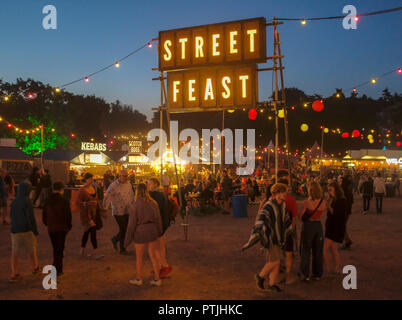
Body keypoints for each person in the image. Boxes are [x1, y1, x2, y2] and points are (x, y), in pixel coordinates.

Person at [242, 183, 292, 292]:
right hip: (271, 238)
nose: (286, 194)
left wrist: (288, 231)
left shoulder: (282, 205)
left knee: (277, 262)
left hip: (279, 238)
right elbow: (260, 220)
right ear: (278, 193)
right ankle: (260, 276)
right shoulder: (269, 205)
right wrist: (260, 233)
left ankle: (271, 284)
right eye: (284, 192)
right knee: (276, 261)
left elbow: (286, 220)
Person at [125, 183, 163, 286]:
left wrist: (127, 240)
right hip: (152, 230)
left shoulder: (135, 204)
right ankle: (157, 279)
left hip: (140, 231)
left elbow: (131, 224)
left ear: (137, 191)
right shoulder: (153, 203)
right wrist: (159, 231)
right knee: (153, 255)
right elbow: (158, 219)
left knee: (139, 257)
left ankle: (139, 279)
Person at [9, 181, 39, 282]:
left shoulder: (14, 201)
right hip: (26, 230)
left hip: (15, 230)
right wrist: (35, 230)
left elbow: (11, 215)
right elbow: (31, 217)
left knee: (15, 253)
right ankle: (35, 268)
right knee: (31, 249)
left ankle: (14, 273)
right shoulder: (27, 201)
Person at [42, 181, 72, 276]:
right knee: (60, 248)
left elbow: (44, 214)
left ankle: (57, 267)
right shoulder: (64, 201)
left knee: (56, 247)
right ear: (61, 190)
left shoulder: (47, 200)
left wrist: (47, 223)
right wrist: (68, 226)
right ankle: (57, 268)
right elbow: (68, 215)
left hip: (51, 227)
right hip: (62, 227)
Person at [299, 181, 326, 281]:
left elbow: (300, 215)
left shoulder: (307, 202)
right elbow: (321, 214)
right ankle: (317, 274)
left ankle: (305, 274)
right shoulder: (323, 202)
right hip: (318, 226)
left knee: (306, 250)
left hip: (308, 226)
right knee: (318, 251)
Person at [103, 169, 134, 255]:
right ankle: (122, 248)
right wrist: (105, 209)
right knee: (124, 229)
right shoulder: (113, 186)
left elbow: (131, 195)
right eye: (124, 176)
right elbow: (107, 197)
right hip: (118, 211)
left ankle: (116, 240)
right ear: (119, 176)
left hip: (127, 210)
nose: (126, 177)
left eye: (127, 176)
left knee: (126, 229)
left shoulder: (129, 184)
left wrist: (133, 206)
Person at [148, 178, 172, 279]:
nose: (147, 185)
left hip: (158, 224)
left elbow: (156, 210)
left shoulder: (157, 195)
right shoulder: (159, 194)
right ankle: (159, 266)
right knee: (159, 245)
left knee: (157, 246)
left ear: (154, 184)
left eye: (149, 183)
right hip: (161, 223)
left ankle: (165, 266)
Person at [76, 173, 104, 260]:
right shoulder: (82, 190)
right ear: (87, 179)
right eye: (91, 179)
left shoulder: (93, 188)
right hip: (86, 215)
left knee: (87, 232)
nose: (92, 180)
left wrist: (101, 210)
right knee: (93, 233)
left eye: (92, 178)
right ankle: (96, 253)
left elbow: (96, 200)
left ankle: (81, 250)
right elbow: (77, 203)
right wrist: (87, 203)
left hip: (94, 214)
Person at [277, 179, 298, 285]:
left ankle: (275, 276)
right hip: (287, 229)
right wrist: (291, 229)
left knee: (276, 253)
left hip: (276, 229)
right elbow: (294, 217)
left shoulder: (272, 198)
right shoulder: (290, 199)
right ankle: (288, 277)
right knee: (288, 253)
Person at [324, 182, 347, 275]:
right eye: (328, 190)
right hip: (332, 226)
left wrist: (327, 204)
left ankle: (328, 269)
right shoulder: (334, 199)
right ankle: (336, 269)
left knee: (324, 249)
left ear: (336, 189)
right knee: (334, 249)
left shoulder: (341, 200)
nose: (329, 192)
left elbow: (335, 213)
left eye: (330, 190)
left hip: (335, 227)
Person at [341, 174, 354, 249]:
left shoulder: (343, 192)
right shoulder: (349, 192)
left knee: (342, 226)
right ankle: (347, 240)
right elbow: (352, 202)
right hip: (348, 211)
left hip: (344, 212)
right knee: (343, 226)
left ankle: (347, 241)